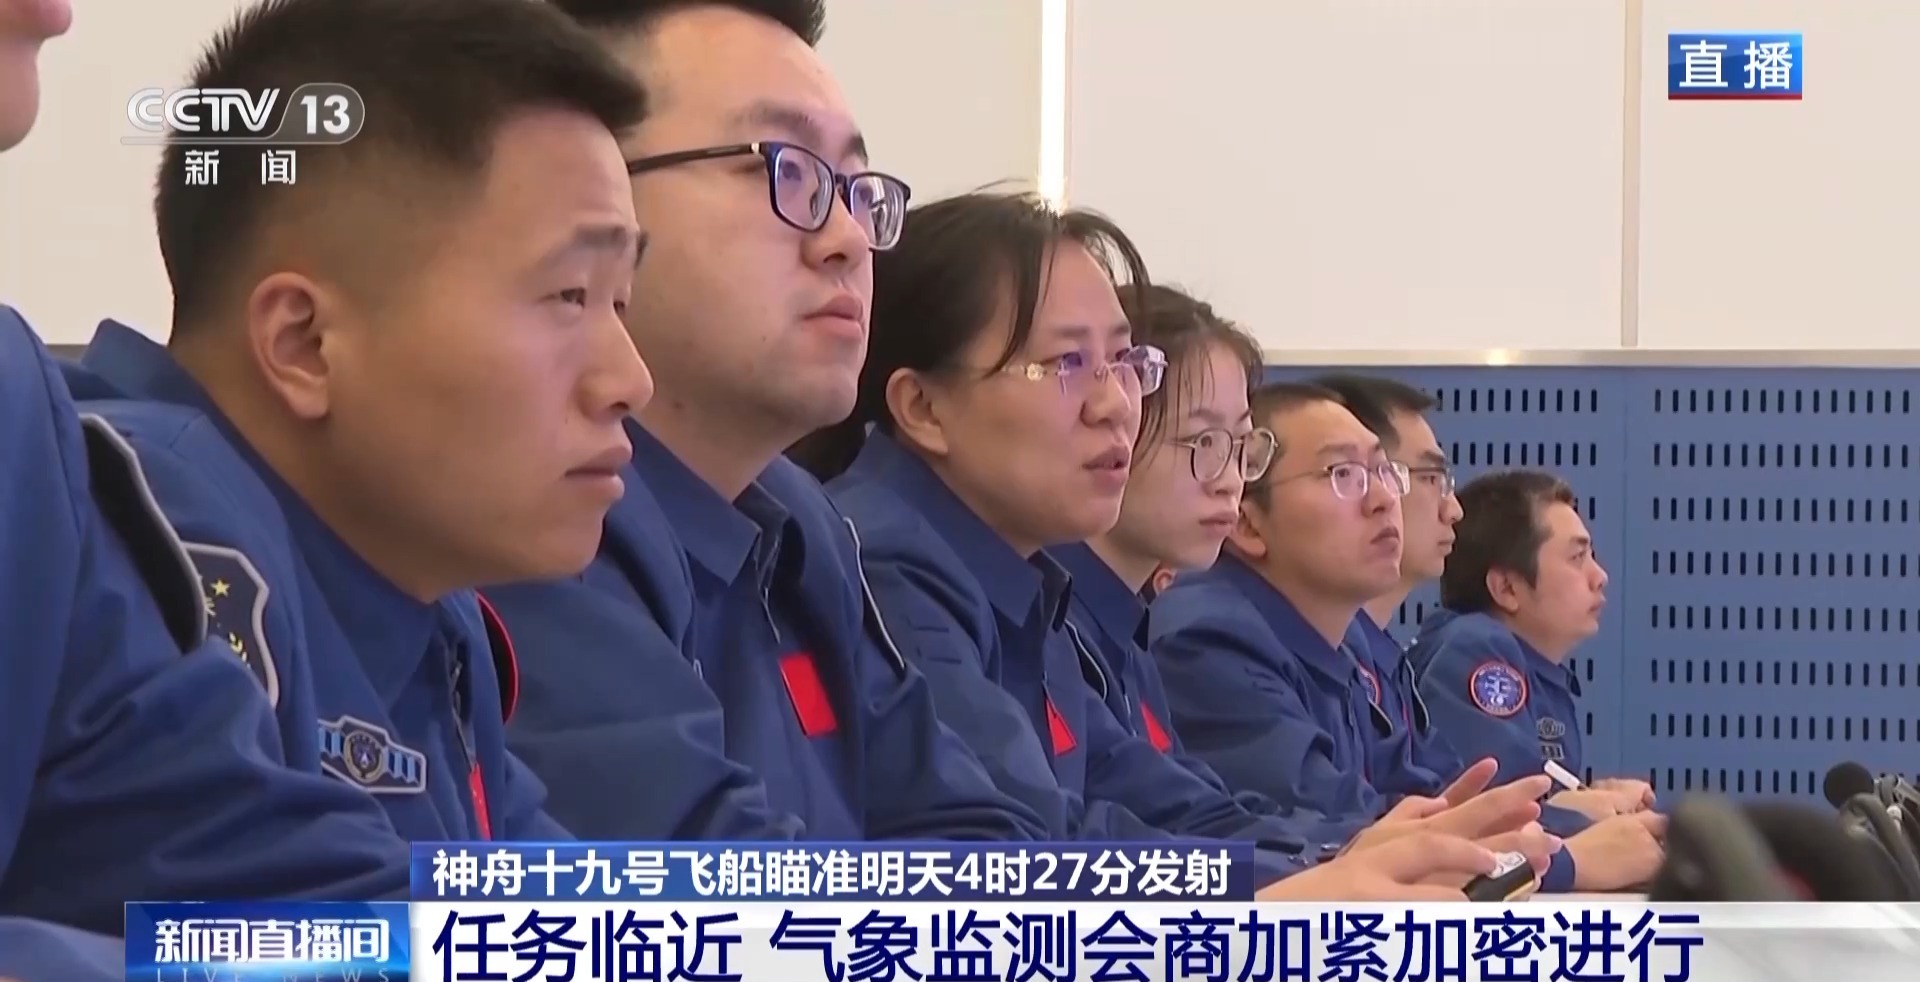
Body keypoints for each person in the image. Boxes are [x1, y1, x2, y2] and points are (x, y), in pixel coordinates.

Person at [793, 190, 1558, 897]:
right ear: (924, 407)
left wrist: (1334, 859)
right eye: (1065, 363)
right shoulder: (886, 564)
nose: (1115, 405)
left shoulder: (1023, 586)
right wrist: (1283, 885)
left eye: (1128, 364)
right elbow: (1009, 854)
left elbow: (1150, 802)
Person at [66, 0, 655, 842]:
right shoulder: (141, 539)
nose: (631, 382)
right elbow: (263, 914)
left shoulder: (423, 599)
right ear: (304, 344)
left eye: (620, 302)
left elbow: (549, 900)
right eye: (569, 295)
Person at [485, 0, 1049, 841]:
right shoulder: (524, 501)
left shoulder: (801, 521)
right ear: (589, 198)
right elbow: (707, 884)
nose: (848, 239)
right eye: (786, 171)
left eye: (855, 190)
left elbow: (973, 830)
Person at [1, 0, 410, 971]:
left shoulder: (19, 421)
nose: (55, 12)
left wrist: (731, 938)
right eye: (567, 295)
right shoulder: (188, 493)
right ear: (302, 338)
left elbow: (240, 882)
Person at [1051, 284, 1555, 855]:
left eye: (1240, 446)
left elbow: (1194, 817)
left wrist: (1390, 847)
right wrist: (1362, 855)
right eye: (1203, 439)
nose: (1228, 477)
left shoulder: (1121, 631)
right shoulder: (1199, 633)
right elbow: (1052, 853)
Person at [1151, 383, 1662, 891]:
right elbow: (1339, 825)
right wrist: (1563, 858)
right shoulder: (1210, 638)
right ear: (1247, 522)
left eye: (1385, 473)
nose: (1383, 499)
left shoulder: (1347, 646)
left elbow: (1434, 797)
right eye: (1342, 474)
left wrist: (1567, 835)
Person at [1313, 373, 1639, 830]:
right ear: (1506, 588)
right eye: (1429, 478)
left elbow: (1439, 806)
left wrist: (1585, 804)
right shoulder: (1473, 647)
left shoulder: (1379, 659)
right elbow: (1484, 815)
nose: (1453, 509)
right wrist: (1585, 828)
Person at [1411, 469, 1656, 820]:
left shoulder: (1528, 666)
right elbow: (1499, 819)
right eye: (1577, 558)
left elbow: (1534, 799)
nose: (1600, 576)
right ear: (1507, 588)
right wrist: (1596, 815)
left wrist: (1591, 799)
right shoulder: (1475, 650)